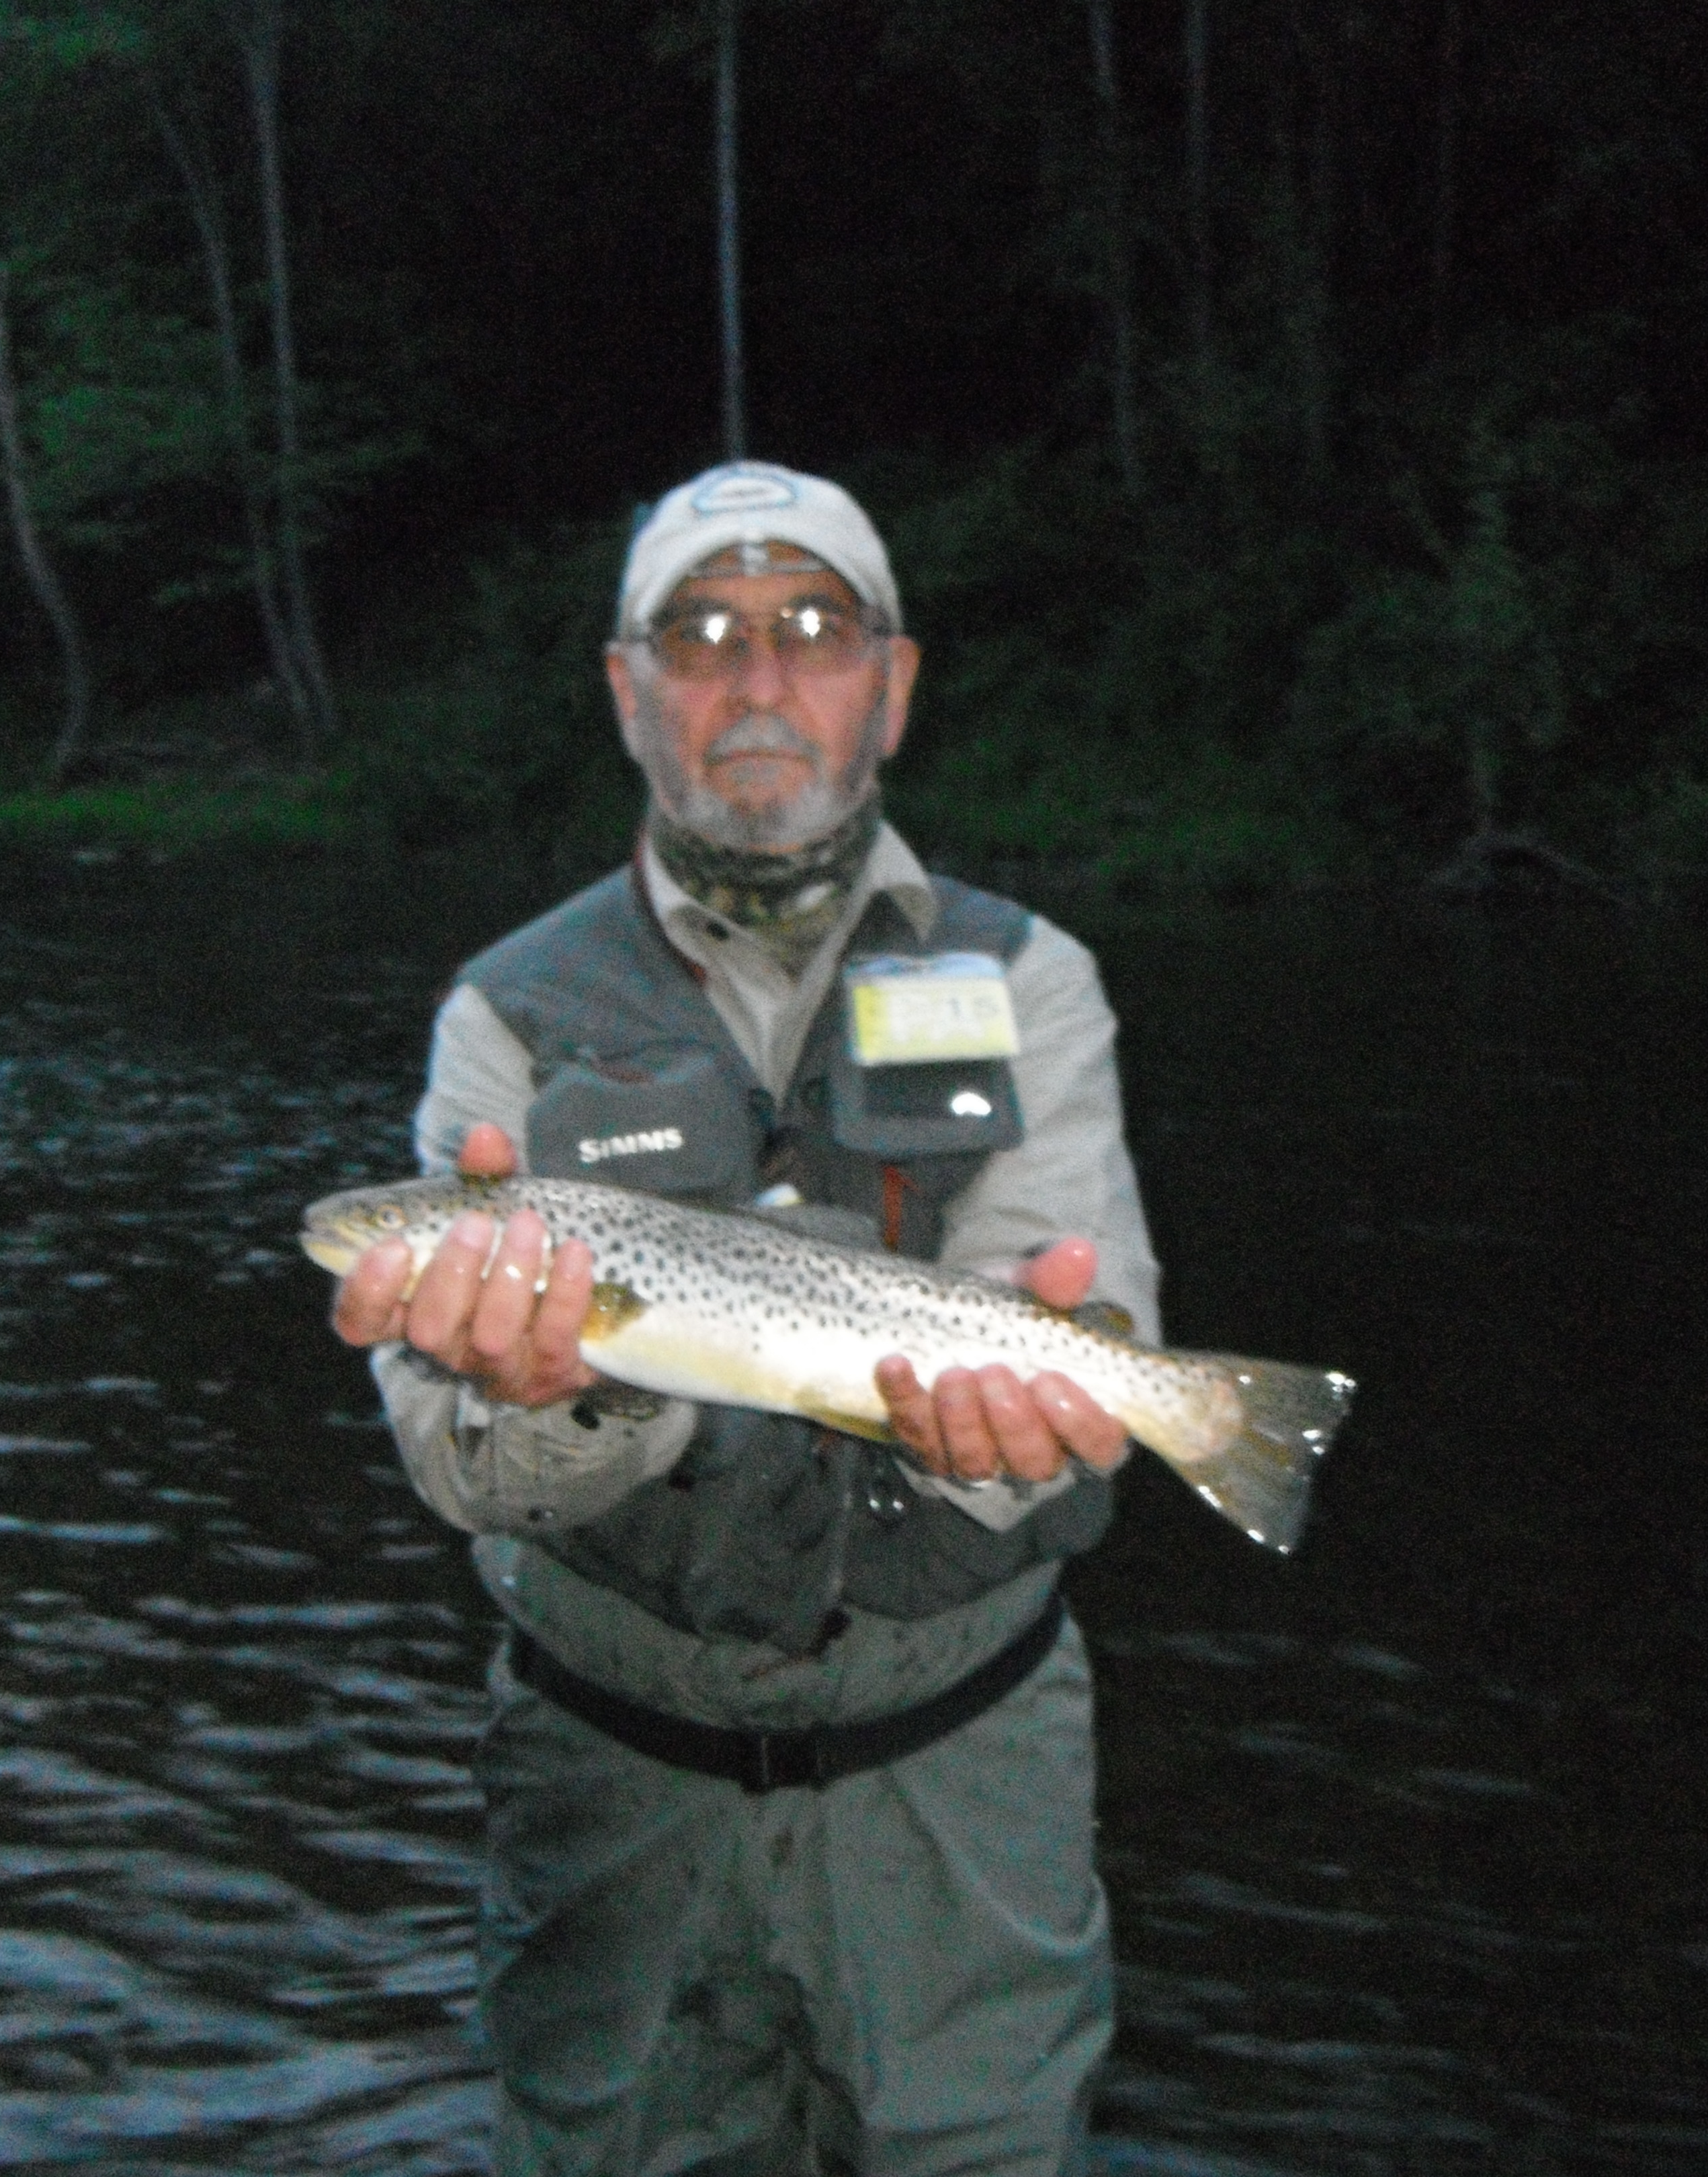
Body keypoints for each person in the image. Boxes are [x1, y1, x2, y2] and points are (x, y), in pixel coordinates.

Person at [329, 459, 1159, 2176]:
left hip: (966, 1782)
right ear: (627, 691)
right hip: (610, 1785)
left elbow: (1098, 1359)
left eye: (812, 631)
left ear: (893, 685)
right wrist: (549, 1394)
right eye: (700, 637)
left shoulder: (1031, 978)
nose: (758, 679)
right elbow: (457, 1461)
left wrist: (1015, 1436)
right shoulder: (507, 1013)